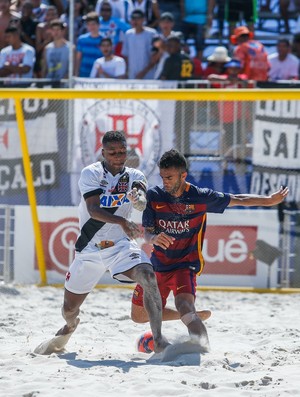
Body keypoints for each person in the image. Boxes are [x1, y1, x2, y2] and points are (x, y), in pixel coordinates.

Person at [131, 149, 289, 351]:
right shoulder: (154, 196)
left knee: (186, 308)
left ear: (183, 175)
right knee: (138, 316)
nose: (165, 182)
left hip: (184, 266)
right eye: (162, 177)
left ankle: (202, 350)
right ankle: (188, 317)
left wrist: (268, 200)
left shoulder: (199, 196)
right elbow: (148, 233)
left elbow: (237, 198)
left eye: (169, 177)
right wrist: (154, 238)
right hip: (158, 266)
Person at [50, 130, 168, 353]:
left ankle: (159, 340)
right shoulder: (91, 173)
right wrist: (122, 221)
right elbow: (93, 209)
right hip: (89, 250)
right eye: (112, 152)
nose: (118, 156)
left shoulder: (135, 176)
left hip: (120, 246)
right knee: (69, 309)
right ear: (103, 152)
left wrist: (139, 200)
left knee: (148, 276)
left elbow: (141, 202)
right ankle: (70, 326)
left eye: (122, 151)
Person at [121, 9, 157, 79]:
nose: (135, 21)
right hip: (132, 76)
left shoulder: (152, 34)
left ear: (143, 19)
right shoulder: (128, 34)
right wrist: (126, 72)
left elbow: (155, 57)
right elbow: (125, 55)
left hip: (149, 76)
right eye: (133, 18)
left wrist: (143, 72)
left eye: (138, 18)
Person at [75, 11, 102, 77]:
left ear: (98, 25)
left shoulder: (104, 40)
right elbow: (78, 59)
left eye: (93, 24)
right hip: (83, 75)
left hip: (98, 76)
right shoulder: (81, 39)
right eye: (88, 24)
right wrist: (76, 74)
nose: (91, 27)